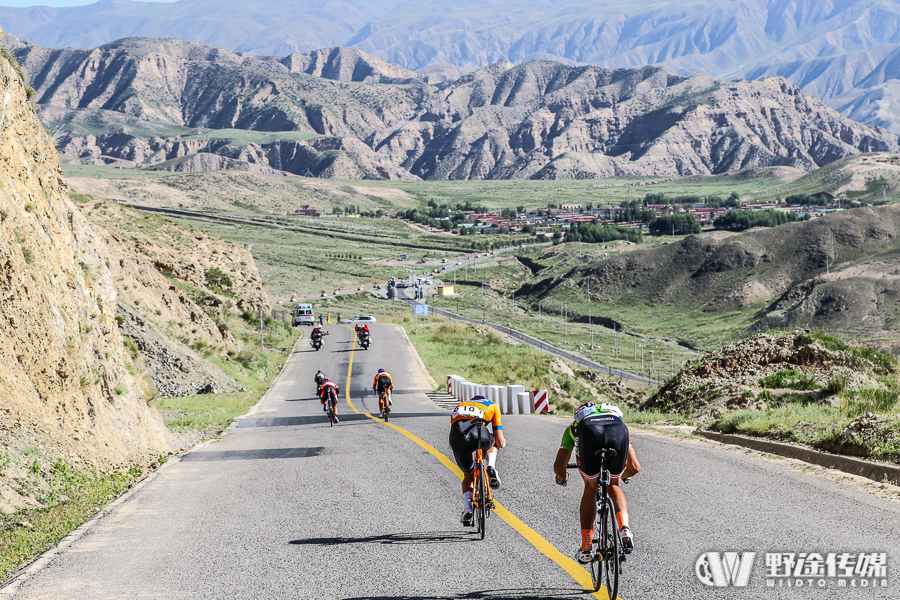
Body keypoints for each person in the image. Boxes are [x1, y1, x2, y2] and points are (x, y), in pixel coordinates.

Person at [553, 402, 640, 564]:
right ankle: (625, 529)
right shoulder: (618, 419)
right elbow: (635, 467)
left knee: (591, 487)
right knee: (613, 485)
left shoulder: (574, 427)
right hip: (617, 430)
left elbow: (559, 467)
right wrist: (621, 475)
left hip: (588, 433)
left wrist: (562, 478)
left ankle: (586, 547)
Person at [449, 394, 505, 527]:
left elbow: (452, 439)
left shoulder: (459, 407)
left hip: (458, 439)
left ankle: (468, 510)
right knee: (494, 443)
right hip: (480, 434)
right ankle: (490, 466)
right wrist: (499, 444)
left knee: (468, 474)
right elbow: (500, 439)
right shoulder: (492, 405)